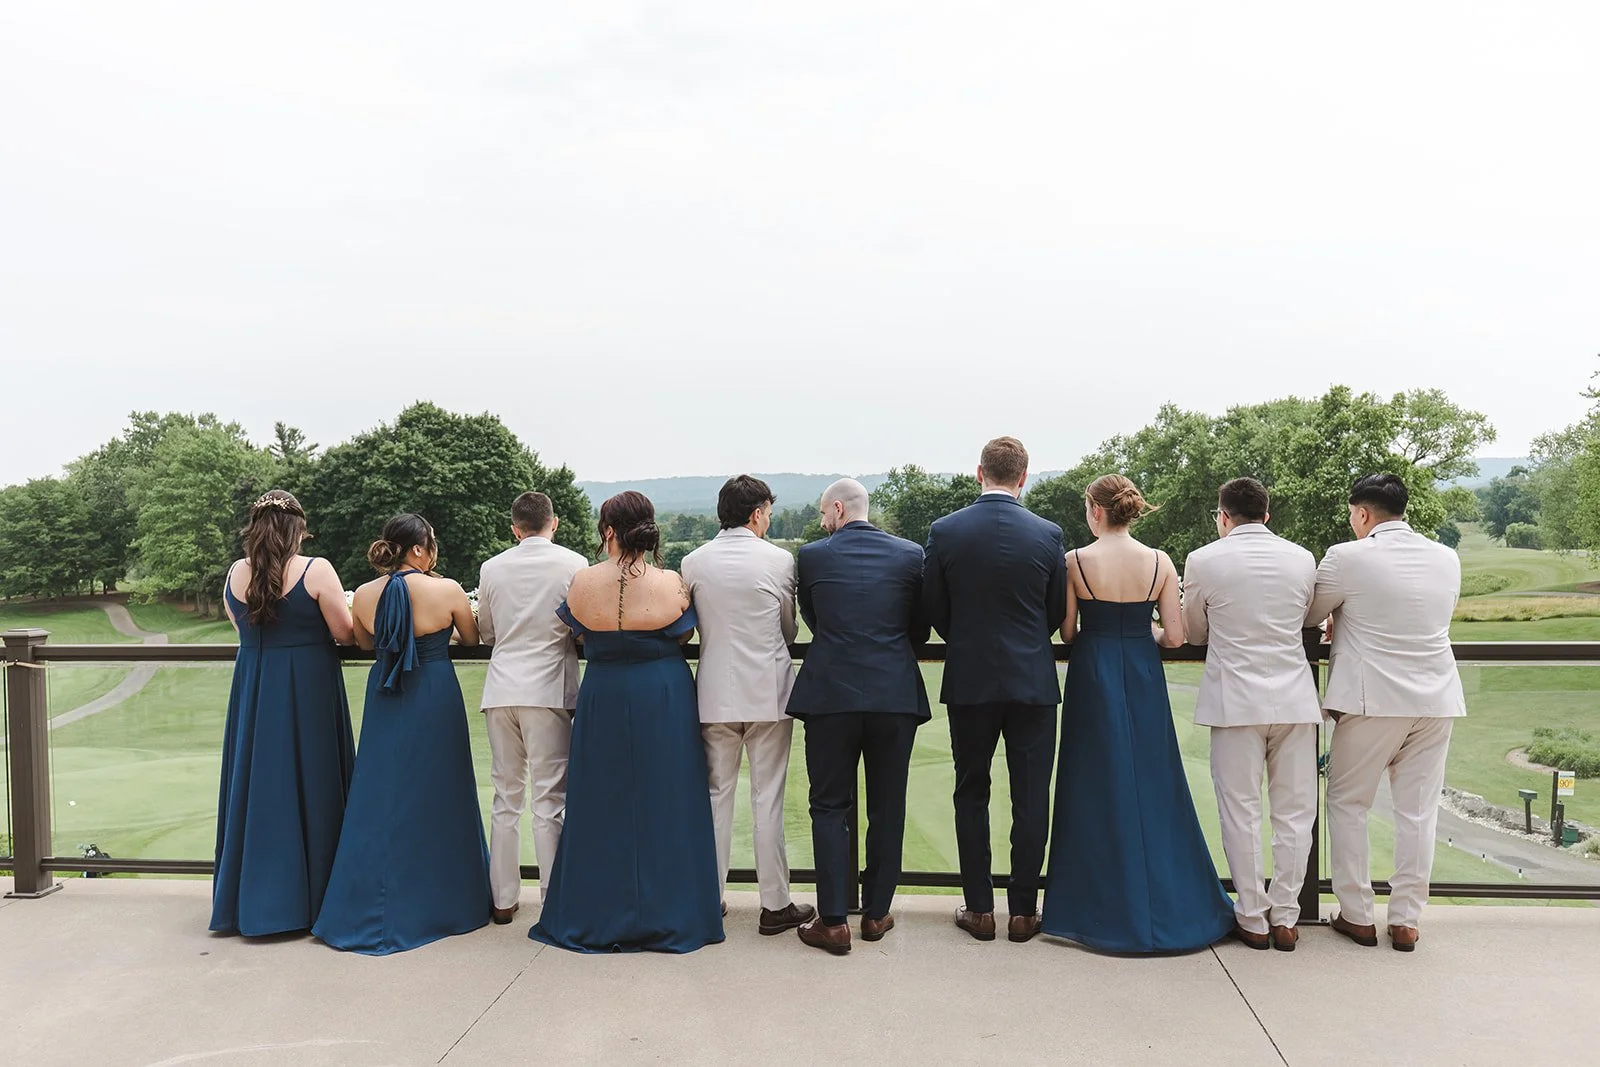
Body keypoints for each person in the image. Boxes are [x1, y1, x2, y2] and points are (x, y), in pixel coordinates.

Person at [1040, 475, 1233, 954]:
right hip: (1143, 673)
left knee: (1092, 786)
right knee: (1154, 780)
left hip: (1093, 672)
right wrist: (1140, 632)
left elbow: (1067, 634)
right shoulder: (1160, 561)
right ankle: (1172, 902)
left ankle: (1093, 908)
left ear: (1096, 511)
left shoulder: (1075, 562)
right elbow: (1175, 635)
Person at [529, 491, 724, 953]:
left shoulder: (580, 582)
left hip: (604, 695)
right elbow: (683, 633)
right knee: (668, 798)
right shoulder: (671, 583)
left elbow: (576, 630)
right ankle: (671, 909)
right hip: (662, 695)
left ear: (608, 530)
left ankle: (598, 908)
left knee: (601, 800)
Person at [312, 514, 492, 955]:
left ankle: (366, 904)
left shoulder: (367, 595)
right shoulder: (446, 590)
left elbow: (367, 645)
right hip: (433, 693)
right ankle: (442, 900)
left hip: (386, 693)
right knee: (439, 793)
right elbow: (470, 639)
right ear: (418, 549)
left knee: (378, 794)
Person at [1309, 473, 1466, 953]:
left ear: (1361, 513)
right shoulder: (1446, 557)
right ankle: (1405, 920)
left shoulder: (1346, 556)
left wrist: (1338, 618)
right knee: (1418, 812)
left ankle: (1357, 914)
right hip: (1436, 697)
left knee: (1348, 803)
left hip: (1372, 700)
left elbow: (1309, 614)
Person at [923, 436, 1065, 943]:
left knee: (971, 791)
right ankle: (1024, 911)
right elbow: (1053, 612)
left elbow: (934, 607)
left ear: (979, 472)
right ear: (1023, 477)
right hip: (1032, 679)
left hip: (970, 676)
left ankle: (980, 908)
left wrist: (964, 638)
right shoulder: (1049, 534)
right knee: (1031, 797)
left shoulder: (945, 530)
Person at [787, 478, 930, 955]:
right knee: (888, 806)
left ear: (840, 508)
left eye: (825, 512)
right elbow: (918, 627)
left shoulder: (812, 556)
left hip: (831, 692)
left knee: (829, 806)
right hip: (894, 693)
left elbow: (814, 617)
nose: (823, 519)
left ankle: (832, 920)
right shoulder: (911, 555)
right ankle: (875, 914)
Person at [1181, 477, 1321, 953]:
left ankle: (1253, 916)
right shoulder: (1302, 558)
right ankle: (1287, 916)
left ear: (1223, 517)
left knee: (1240, 812)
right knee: (1295, 813)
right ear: (1267, 513)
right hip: (1295, 698)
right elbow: (1306, 619)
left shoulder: (1203, 560)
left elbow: (1195, 633)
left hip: (1236, 701)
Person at [211, 490, 356, 937]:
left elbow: (241, 629)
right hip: (308, 686)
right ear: (298, 528)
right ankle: (312, 899)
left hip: (254, 685)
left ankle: (252, 901)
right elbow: (345, 634)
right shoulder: (316, 570)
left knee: (257, 785)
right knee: (312, 782)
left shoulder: (235, 573)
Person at [681, 476, 816, 936]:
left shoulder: (693, 561)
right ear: (757, 513)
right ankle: (774, 903)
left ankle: (709, 896)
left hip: (715, 691)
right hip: (768, 690)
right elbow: (788, 628)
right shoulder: (778, 559)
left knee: (717, 797)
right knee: (768, 799)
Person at [476, 491, 588, 924]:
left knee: (506, 797)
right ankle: (552, 896)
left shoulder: (492, 567)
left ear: (514, 528)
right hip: (548, 690)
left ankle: (503, 900)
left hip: (502, 688)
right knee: (550, 799)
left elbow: (486, 631)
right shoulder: (574, 564)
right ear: (553, 523)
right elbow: (579, 629)